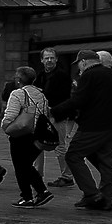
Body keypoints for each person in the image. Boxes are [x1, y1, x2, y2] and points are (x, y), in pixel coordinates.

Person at [57, 50, 112, 212]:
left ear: (83, 62)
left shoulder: (89, 75)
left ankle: (92, 194)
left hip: (93, 127)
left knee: (73, 155)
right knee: (106, 161)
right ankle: (106, 200)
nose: (79, 68)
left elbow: (78, 100)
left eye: (79, 64)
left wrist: (55, 112)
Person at [0, 66, 55, 206]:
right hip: (37, 135)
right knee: (26, 165)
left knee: (20, 166)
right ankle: (42, 191)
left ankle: (27, 196)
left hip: (21, 135)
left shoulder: (17, 94)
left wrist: (5, 127)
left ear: (19, 79)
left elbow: (10, 115)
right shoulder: (41, 94)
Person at [38, 50, 76, 187]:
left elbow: (64, 97)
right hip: (43, 114)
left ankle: (67, 176)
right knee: (38, 145)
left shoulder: (62, 76)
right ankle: (38, 174)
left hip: (57, 115)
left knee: (60, 146)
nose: (49, 60)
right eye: (46, 58)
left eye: (52, 58)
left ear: (56, 59)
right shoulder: (41, 75)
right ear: (42, 60)